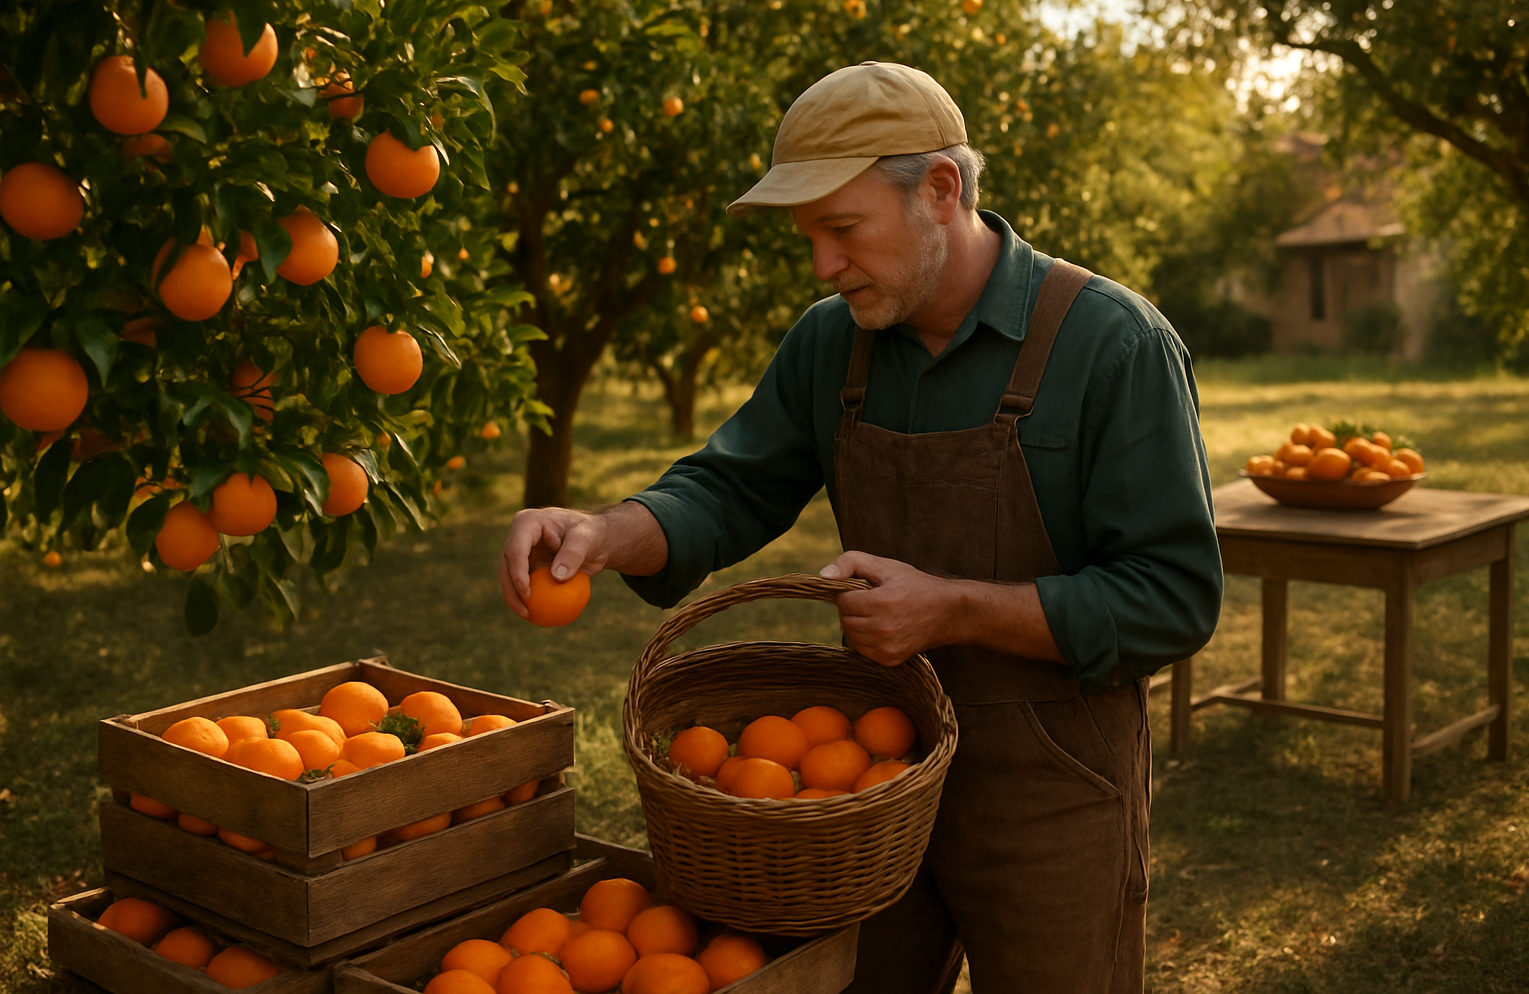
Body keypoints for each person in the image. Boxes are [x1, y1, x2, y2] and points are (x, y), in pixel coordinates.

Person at [499, 61, 1223, 994]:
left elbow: (1175, 597)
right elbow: (728, 490)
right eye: (810, 237)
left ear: (940, 189)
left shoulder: (1113, 346)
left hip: (1054, 788)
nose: (823, 266)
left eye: (842, 230)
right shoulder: (829, 341)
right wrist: (604, 532)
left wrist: (953, 608)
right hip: (862, 783)